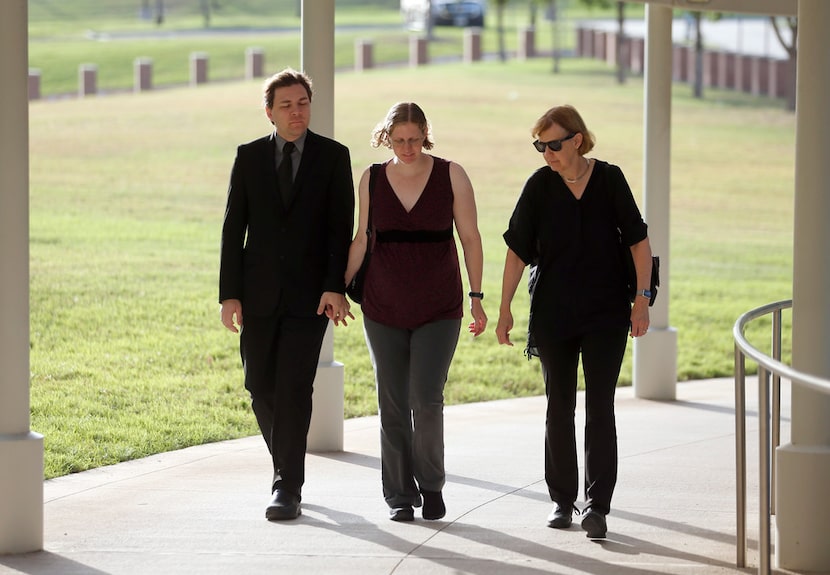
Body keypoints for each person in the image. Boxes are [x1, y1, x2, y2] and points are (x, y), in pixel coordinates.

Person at [495, 104, 652, 539]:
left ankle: (597, 506)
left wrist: (642, 300)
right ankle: (562, 501)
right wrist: (505, 307)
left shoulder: (610, 179)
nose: (547, 152)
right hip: (554, 313)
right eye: (540, 145)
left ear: (577, 140)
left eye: (554, 144)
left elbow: (639, 242)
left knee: (601, 407)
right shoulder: (540, 186)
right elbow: (516, 251)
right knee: (558, 407)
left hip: (605, 312)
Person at [219, 68, 355, 521]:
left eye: (302, 103)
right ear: (269, 111)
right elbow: (233, 227)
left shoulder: (334, 157)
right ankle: (286, 466)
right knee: (259, 384)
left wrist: (335, 286)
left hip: (311, 296)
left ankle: (286, 486)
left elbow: (341, 228)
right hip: (256, 294)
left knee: (294, 388)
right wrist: (229, 294)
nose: (296, 112)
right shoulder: (249, 156)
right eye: (286, 105)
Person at [345, 102, 487, 522]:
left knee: (425, 399)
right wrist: (335, 290)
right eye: (398, 139)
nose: (407, 147)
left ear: (426, 133)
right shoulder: (371, 178)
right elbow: (361, 240)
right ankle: (399, 496)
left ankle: (432, 486)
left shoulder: (451, 174)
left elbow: (471, 239)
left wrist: (477, 296)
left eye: (414, 138)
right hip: (382, 304)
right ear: (386, 137)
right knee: (391, 401)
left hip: (440, 305)